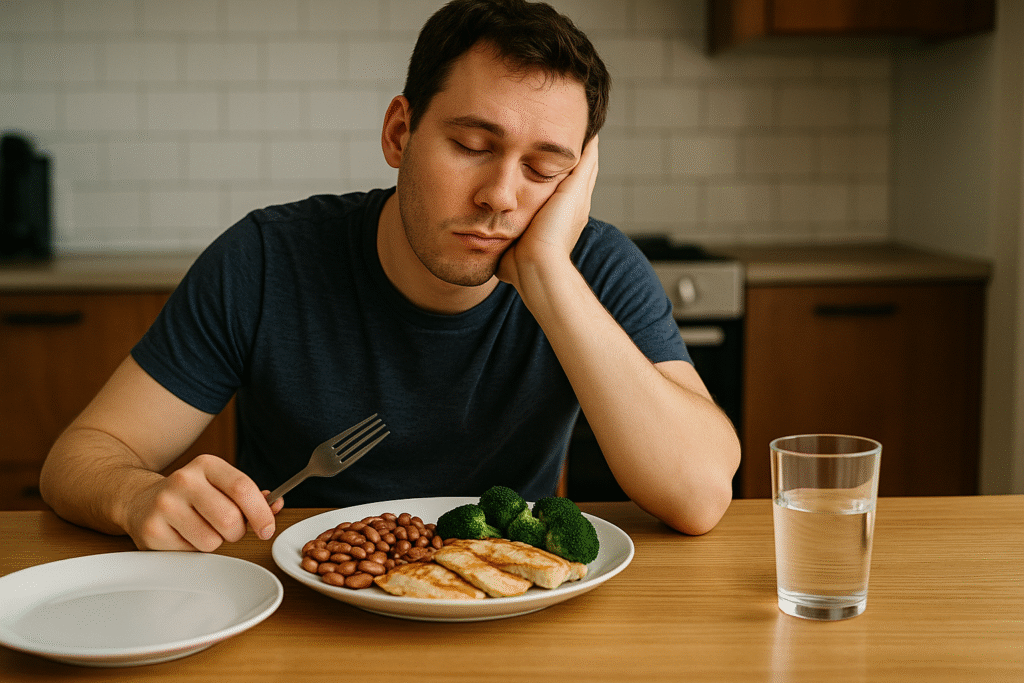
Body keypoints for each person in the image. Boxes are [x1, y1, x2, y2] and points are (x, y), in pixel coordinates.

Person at [39, 0, 740, 552]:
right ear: (399, 134)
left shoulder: (593, 268)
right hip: (299, 610)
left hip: (507, 612)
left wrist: (550, 277)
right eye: (472, 145)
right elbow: (80, 458)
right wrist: (134, 496)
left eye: (544, 169)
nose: (500, 195)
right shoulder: (264, 259)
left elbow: (702, 492)